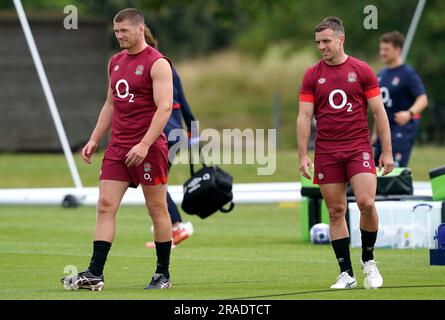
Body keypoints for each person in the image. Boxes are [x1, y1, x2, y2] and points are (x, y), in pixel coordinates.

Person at [61, 8, 174, 291]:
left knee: (157, 208)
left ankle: (163, 273)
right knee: (105, 206)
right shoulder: (115, 62)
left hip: (149, 149)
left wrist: (145, 143)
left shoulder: (158, 63)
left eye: (124, 31)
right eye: (116, 32)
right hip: (118, 149)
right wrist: (94, 138)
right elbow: (110, 104)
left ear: (139, 29)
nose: (119, 36)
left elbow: (165, 108)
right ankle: (95, 273)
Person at [297, 16, 394, 289]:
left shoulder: (361, 70)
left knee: (366, 202)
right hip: (327, 151)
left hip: (358, 148)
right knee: (336, 210)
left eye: (326, 41)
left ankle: (369, 260)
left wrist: (386, 152)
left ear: (341, 39)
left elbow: (378, 112)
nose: (322, 46)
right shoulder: (312, 75)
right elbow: (304, 117)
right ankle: (347, 274)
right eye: (318, 42)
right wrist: (303, 155)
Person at [142, 26, 196, 249]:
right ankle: (170, 230)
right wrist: (192, 128)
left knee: (156, 185)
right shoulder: (168, 65)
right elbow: (183, 100)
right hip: (176, 133)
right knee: (157, 184)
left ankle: (175, 227)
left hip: (163, 134)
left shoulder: (151, 66)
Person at [372, 31, 428, 167]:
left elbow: (423, 99)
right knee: (377, 169)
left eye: (386, 49)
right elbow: (379, 107)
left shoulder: (408, 74)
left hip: (401, 130)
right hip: (383, 131)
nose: (382, 53)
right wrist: (374, 133)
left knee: (394, 169)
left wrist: (409, 113)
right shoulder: (380, 75)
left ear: (398, 50)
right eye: (381, 49)